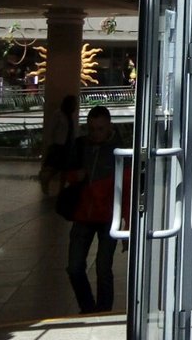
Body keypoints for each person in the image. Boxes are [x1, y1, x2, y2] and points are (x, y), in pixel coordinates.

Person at [63, 105, 128, 315]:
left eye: (100, 129)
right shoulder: (81, 146)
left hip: (108, 217)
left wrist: (127, 224)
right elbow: (68, 173)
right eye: (92, 129)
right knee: (74, 267)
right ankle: (89, 308)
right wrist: (76, 176)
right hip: (83, 215)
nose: (95, 134)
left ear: (109, 126)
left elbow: (127, 189)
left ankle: (102, 311)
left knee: (103, 268)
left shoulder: (120, 151)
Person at [40, 94, 78, 195]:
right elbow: (51, 129)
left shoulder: (70, 115)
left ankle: (61, 188)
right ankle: (46, 181)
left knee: (65, 169)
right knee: (55, 167)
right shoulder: (58, 114)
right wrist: (50, 144)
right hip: (59, 145)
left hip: (68, 144)